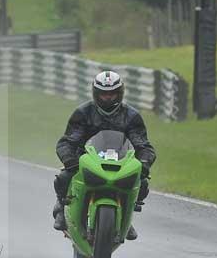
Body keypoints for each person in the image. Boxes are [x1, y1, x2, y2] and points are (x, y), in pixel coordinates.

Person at [52, 71, 156, 240]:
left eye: (112, 94)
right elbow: (67, 141)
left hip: (121, 160)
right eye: (104, 94)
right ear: (96, 93)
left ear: (120, 93)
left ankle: (126, 217)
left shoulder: (132, 116)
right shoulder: (83, 113)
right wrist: (69, 159)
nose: (108, 98)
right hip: (85, 159)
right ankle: (60, 207)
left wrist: (144, 163)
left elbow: (143, 145)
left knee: (142, 181)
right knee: (64, 176)